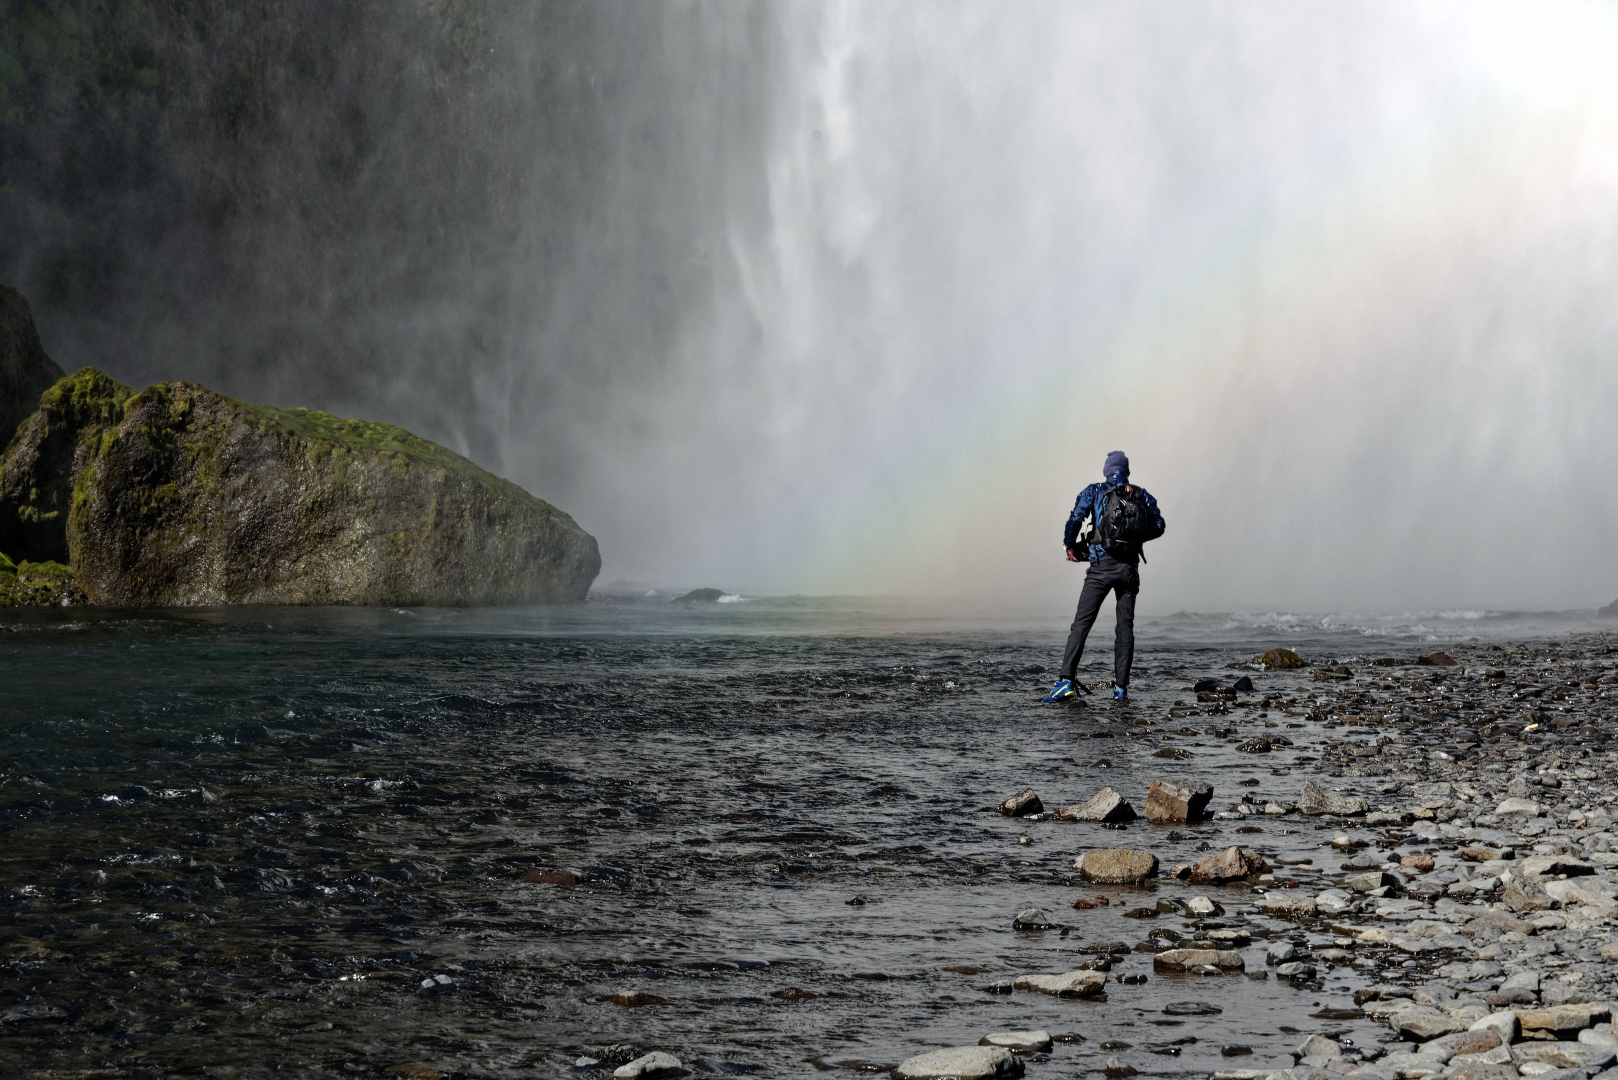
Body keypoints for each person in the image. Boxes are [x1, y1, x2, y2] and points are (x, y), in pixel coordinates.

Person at [1042, 450, 1164, 704]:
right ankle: (1120, 689)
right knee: (1125, 629)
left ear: (1107, 470)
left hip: (1101, 568)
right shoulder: (1140, 495)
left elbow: (1075, 519)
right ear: (1126, 472)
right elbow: (1159, 526)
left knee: (1081, 625)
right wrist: (1134, 539)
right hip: (1130, 570)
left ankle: (1065, 682)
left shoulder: (1096, 490)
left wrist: (1070, 546)